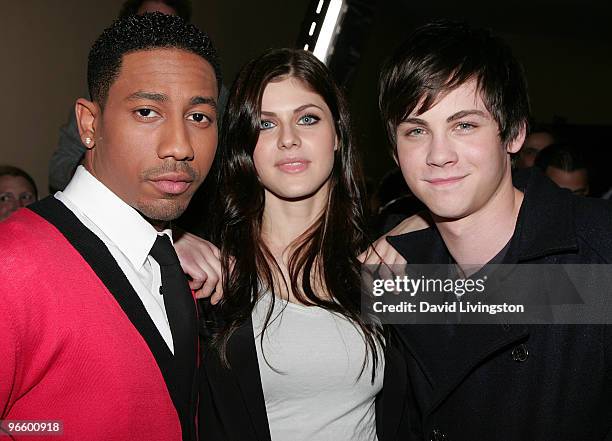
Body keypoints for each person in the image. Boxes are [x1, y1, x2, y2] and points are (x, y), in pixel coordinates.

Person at [372, 20, 612, 440]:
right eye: (416, 130)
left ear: (515, 132)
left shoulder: (598, 250)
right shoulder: (394, 269)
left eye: (464, 125)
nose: (439, 154)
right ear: (394, 150)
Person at [0, 13, 220, 441]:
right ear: (89, 124)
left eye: (199, 117)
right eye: (147, 111)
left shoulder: (168, 258)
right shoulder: (12, 267)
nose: (179, 145)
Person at [198, 48, 411, 441]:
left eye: (307, 119)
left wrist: (427, 227)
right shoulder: (210, 279)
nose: (289, 140)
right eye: (265, 124)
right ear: (244, 144)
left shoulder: (384, 264)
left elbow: (549, 299)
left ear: (337, 135)